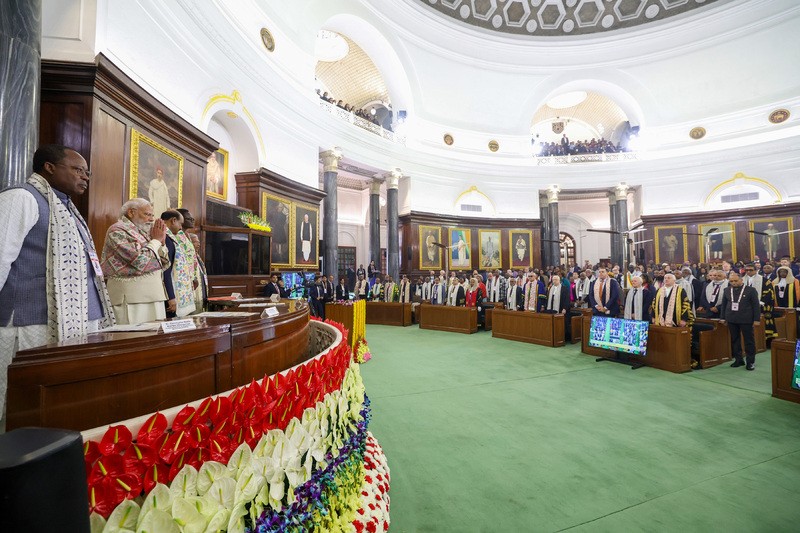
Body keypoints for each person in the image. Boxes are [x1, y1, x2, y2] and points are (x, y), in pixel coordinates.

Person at [0, 144, 115, 415]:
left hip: (74, 324)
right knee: (19, 407)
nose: (85, 177)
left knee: (56, 405)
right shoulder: (21, 197)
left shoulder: (67, 208)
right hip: (30, 323)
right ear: (49, 167)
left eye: (88, 173)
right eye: (78, 170)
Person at [101, 198, 170, 324]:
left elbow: (163, 263)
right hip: (131, 299)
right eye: (147, 214)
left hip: (154, 295)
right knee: (132, 339)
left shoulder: (146, 232)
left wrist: (162, 243)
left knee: (154, 340)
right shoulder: (117, 230)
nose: (151, 219)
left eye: (152, 215)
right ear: (131, 212)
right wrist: (155, 241)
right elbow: (139, 261)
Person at [720, 273, 761, 370]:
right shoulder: (726, 290)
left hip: (746, 319)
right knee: (735, 340)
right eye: (731, 281)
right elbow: (724, 305)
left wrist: (756, 319)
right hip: (731, 318)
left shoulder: (751, 290)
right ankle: (738, 360)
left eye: (735, 281)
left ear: (741, 280)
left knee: (749, 341)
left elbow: (756, 306)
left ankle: (750, 362)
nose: (733, 283)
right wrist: (723, 318)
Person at [161, 210, 195, 317]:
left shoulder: (171, 238)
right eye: (180, 224)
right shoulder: (166, 238)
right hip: (167, 294)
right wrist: (171, 297)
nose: (181, 228)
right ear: (173, 220)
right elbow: (166, 269)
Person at [187, 233, 208, 312]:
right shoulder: (189, 257)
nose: (198, 244)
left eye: (198, 242)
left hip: (202, 295)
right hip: (193, 296)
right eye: (195, 242)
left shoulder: (198, 257)